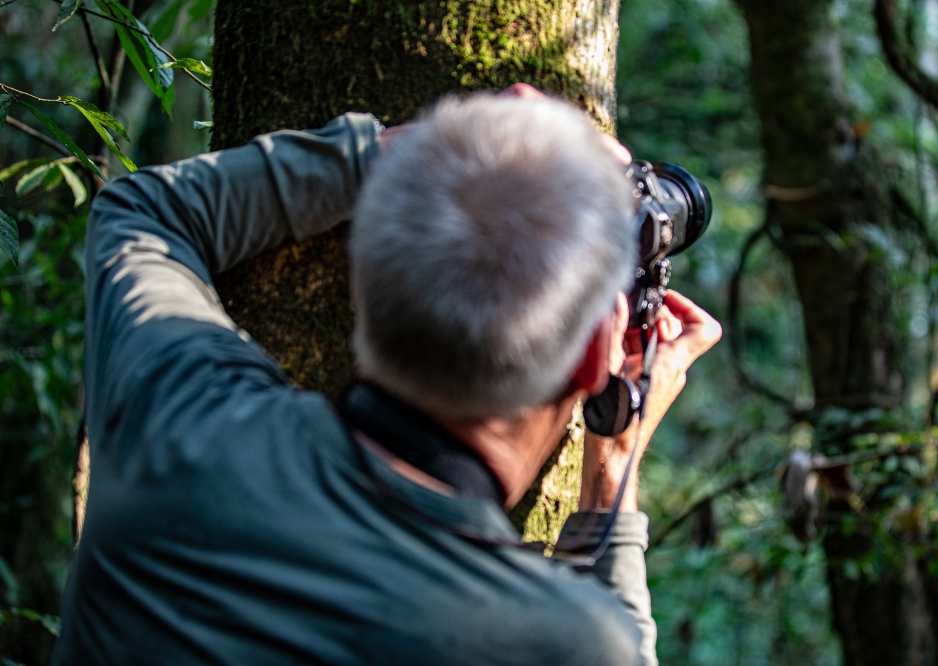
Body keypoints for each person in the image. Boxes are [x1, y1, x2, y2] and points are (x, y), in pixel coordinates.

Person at [51, 85, 720, 665]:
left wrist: (405, 157)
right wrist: (613, 469)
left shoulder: (175, 422)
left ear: (358, 287)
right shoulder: (557, 640)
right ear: (596, 355)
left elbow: (144, 214)